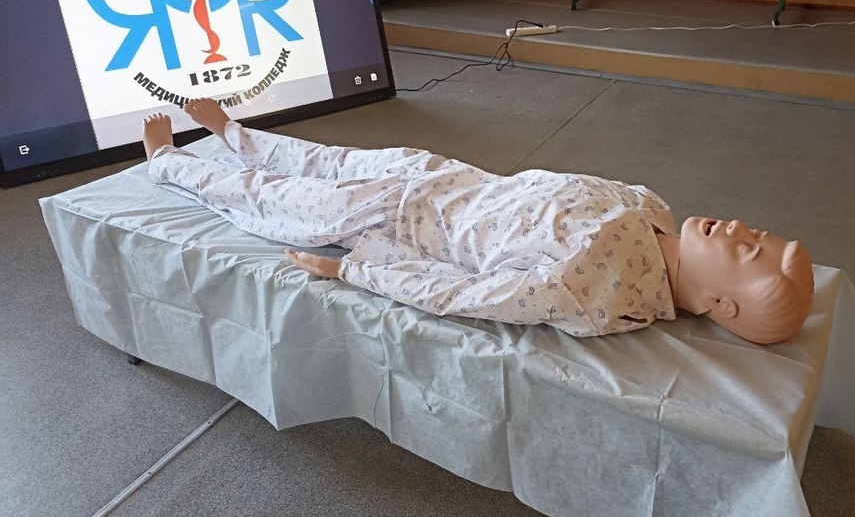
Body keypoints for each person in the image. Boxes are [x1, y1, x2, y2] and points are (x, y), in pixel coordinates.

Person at [142, 98, 814, 343]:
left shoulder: (590, 290)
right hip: (439, 176)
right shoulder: (651, 206)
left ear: (721, 303)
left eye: (746, 250)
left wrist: (353, 271)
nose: (737, 227)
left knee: (272, 198)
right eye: (756, 232)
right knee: (325, 157)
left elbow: (464, 294)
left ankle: (168, 163)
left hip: (393, 224)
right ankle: (237, 133)